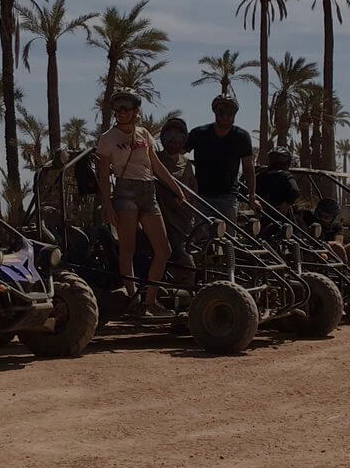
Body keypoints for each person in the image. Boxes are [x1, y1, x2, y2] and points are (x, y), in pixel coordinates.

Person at [96, 90, 185, 312]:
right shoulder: (107, 138)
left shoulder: (144, 134)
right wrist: (108, 205)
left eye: (126, 107)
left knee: (163, 249)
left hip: (148, 191)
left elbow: (156, 166)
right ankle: (133, 299)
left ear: (136, 110)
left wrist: (177, 189)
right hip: (125, 191)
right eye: (118, 108)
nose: (122, 112)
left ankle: (149, 300)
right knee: (128, 249)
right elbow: (103, 176)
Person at [186, 95, 255, 220]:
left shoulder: (242, 136)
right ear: (215, 113)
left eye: (229, 113)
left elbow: (248, 168)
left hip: (227, 196)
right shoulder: (199, 133)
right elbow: (178, 155)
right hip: (201, 195)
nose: (225, 117)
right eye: (221, 112)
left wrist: (252, 196)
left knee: (228, 237)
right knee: (201, 235)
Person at [155, 116, 199, 273]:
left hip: (183, 225)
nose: (173, 140)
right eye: (169, 135)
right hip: (158, 222)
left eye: (178, 136)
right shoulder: (154, 159)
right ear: (162, 137)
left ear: (184, 139)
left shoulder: (187, 165)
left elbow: (193, 196)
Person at [255, 146, 302, 214]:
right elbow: (295, 191)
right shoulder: (285, 175)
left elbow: (247, 190)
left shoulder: (260, 176)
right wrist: (287, 204)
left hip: (263, 213)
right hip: (281, 215)